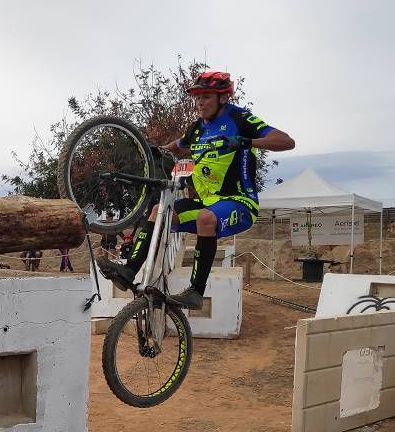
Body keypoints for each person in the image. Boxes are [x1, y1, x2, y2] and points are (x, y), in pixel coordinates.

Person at [97, 71, 295, 309]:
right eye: (196, 97)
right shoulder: (197, 129)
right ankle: (130, 270)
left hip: (239, 202)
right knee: (159, 210)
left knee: (205, 218)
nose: (199, 102)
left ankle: (196, 292)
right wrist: (156, 150)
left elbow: (286, 141)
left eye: (206, 97)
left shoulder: (240, 119)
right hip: (206, 202)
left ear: (223, 98)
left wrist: (245, 141)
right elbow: (177, 148)